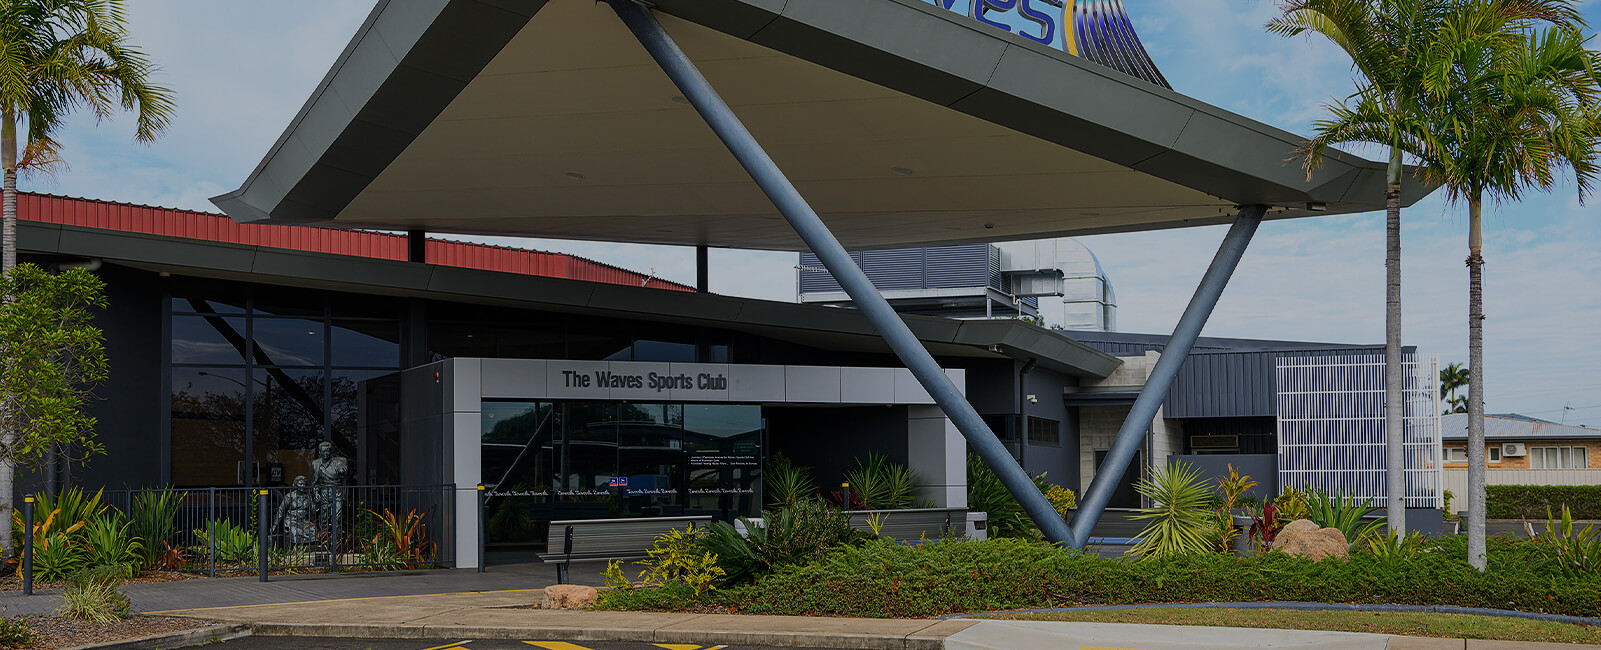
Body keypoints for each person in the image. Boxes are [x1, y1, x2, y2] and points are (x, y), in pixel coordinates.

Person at [310, 441, 349, 534]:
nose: (326, 453)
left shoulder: (338, 462)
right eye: (323, 451)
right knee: (323, 518)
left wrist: (342, 471)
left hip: (337, 492)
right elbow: (314, 483)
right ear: (320, 452)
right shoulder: (316, 464)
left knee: (337, 517)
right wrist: (315, 494)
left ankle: (336, 541)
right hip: (324, 492)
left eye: (327, 451)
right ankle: (324, 540)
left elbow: (343, 470)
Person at [272, 476, 317, 545]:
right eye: (300, 484)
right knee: (294, 531)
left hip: (305, 522)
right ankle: (295, 551)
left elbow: (313, 511)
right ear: (295, 484)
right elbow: (281, 510)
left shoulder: (308, 497)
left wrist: (316, 502)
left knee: (313, 530)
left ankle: (310, 549)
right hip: (292, 521)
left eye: (304, 484)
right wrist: (275, 525)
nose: (302, 486)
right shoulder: (289, 496)